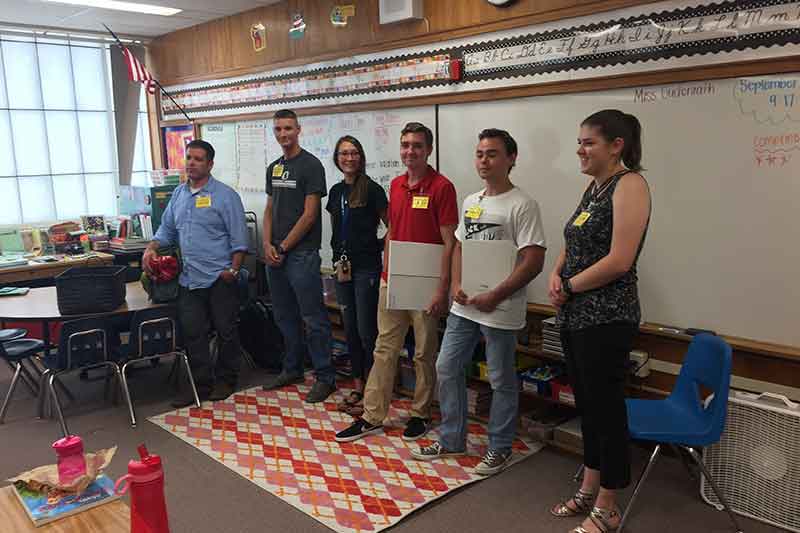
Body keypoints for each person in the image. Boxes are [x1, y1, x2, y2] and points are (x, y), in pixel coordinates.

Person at [411, 128, 546, 475]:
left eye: (493, 154)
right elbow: (459, 246)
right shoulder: (472, 201)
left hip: (500, 308)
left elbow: (533, 260)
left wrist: (496, 294)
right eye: (480, 154)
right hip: (465, 304)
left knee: (501, 378)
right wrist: (456, 283)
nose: (484, 160)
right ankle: (452, 437)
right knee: (446, 366)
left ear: (511, 158)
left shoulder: (523, 204)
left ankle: (499, 447)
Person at [548, 109, 651, 533]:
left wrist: (569, 285)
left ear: (616, 145)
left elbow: (620, 261)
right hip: (577, 317)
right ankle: (588, 489)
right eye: (580, 141)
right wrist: (557, 274)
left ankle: (608, 506)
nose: (580, 149)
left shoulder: (631, 185)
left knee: (607, 412)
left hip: (608, 317)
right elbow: (571, 239)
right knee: (587, 407)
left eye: (588, 142)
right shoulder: (595, 187)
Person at [335, 122, 458, 442]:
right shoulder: (396, 185)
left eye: (417, 145)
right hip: (394, 280)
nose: (410, 151)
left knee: (423, 353)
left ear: (428, 150)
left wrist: (442, 288)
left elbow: (450, 242)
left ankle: (420, 413)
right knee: (384, 348)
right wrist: (387, 267)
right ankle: (373, 414)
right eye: (405, 145)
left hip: (427, 283)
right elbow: (393, 231)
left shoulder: (442, 187)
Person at [143, 139, 249, 407]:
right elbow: (166, 230)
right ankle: (200, 384)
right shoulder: (179, 194)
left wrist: (233, 271)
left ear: (210, 164)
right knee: (193, 333)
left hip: (219, 277)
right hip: (189, 278)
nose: (191, 163)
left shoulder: (226, 196)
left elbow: (240, 238)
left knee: (226, 331)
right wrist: (151, 247)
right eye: (188, 157)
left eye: (198, 159)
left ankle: (226, 380)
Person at [261, 109, 337, 403]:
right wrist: (267, 244)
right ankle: (292, 368)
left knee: (313, 317)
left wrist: (282, 247)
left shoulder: (311, 165)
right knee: (284, 316)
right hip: (275, 255)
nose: (283, 134)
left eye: (288, 128)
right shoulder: (274, 168)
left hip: (301, 255)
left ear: (298, 130)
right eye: (278, 129)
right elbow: (269, 210)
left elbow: (309, 215)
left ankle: (325, 376)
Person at [326, 136, 388, 415]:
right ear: (337, 158)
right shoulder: (336, 191)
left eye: (353, 153)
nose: (348, 158)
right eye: (343, 154)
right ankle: (358, 386)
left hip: (366, 268)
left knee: (366, 331)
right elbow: (337, 229)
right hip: (342, 267)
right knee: (349, 328)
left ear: (361, 157)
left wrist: (376, 247)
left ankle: (373, 391)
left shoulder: (372, 190)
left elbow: (393, 227)